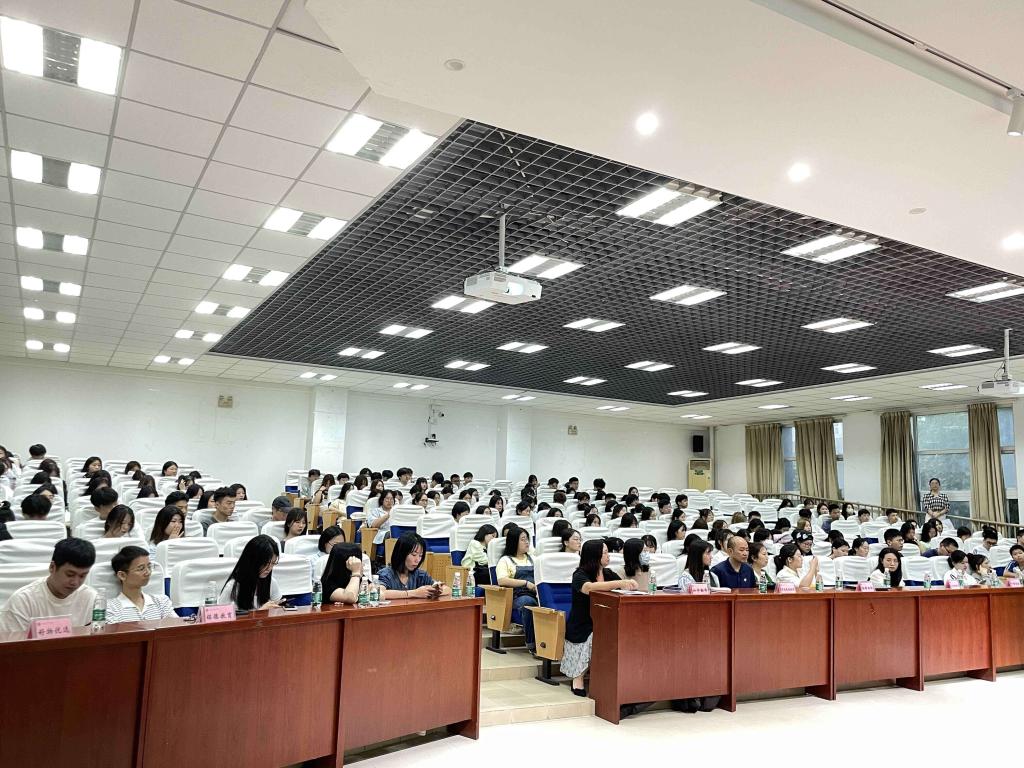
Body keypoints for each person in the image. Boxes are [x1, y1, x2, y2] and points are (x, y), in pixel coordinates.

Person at [563, 539, 637, 696]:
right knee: (597, 635)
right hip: (583, 625)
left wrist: (630, 585)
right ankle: (578, 678)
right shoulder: (579, 574)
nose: (608, 555)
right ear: (594, 555)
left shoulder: (608, 574)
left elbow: (622, 587)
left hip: (605, 621)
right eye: (604, 552)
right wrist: (620, 583)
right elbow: (589, 588)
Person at [0, 538, 98, 630]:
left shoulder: (90, 597)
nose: (75, 583)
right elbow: (11, 641)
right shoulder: (23, 601)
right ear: (52, 567)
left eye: (82, 576)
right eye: (70, 575)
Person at [105, 546, 176, 623]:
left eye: (149, 567)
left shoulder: (161, 601)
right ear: (122, 575)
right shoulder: (110, 608)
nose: (148, 572)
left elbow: (177, 627)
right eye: (141, 568)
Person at [495, 526, 537, 650]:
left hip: (535, 593)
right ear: (514, 542)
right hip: (516, 597)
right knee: (528, 603)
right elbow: (502, 580)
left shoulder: (533, 559)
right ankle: (532, 645)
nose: (527, 542)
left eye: (527, 539)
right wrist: (525, 583)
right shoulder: (505, 560)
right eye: (523, 539)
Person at [219, 535, 283, 610]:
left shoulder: (271, 582)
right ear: (252, 561)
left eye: (273, 563)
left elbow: (278, 609)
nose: (269, 568)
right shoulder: (232, 587)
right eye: (265, 563)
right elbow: (222, 615)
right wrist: (260, 612)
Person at [378, 532, 448, 599]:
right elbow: (379, 593)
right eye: (414, 555)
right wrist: (414, 593)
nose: (418, 560)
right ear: (401, 554)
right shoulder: (385, 574)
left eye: (420, 555)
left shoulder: (421, 575)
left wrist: (436, 591)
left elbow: (448, 589)